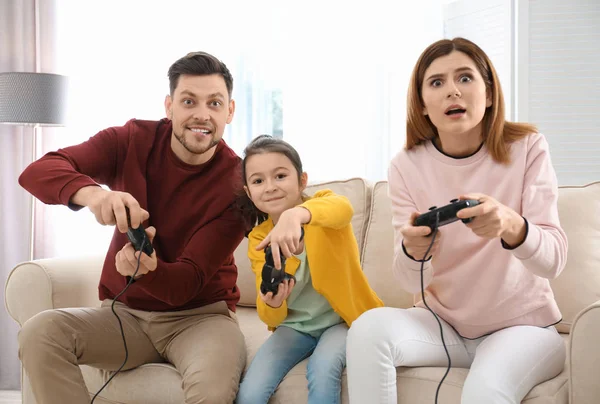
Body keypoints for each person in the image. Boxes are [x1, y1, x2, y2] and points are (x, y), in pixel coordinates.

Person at [346, 37, 568, 404]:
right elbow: (406, 279)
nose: (452, 91)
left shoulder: (528, 147)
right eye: (437, 82)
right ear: (422, 104)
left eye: (465, 78)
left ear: (490, 93)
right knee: (368, 329)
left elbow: (555, 261)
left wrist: (511, 226)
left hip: (523, 328)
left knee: (483, 391)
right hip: (442, 326)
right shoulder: (406, 165)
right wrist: (414, 251)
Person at [17, 51, 247, 404]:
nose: (202, 114)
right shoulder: (132, 140)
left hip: (201, 319)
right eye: (189, 101)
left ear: (229, 111)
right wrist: (93, 195)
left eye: (214, 103)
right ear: (169, 106)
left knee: (212, 395)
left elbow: (185, 284)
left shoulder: (239, 185)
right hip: (126, 317)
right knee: (40, 333)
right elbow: (38, 171)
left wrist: (146, 273)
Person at [234, 135, 383, 404]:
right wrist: (274, 302)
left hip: (342, 322)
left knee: (323, 370)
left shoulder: (324, 207)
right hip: (295, 327)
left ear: (302, 180)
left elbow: (343, 209)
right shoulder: (258, 238)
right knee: (250, 393)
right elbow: (270, 316)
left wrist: (296, 215)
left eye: (280, 176)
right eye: (258, 181)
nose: (270, 187)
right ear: (248, 191)